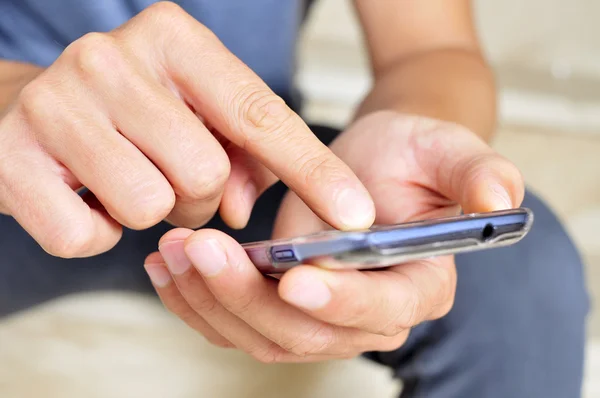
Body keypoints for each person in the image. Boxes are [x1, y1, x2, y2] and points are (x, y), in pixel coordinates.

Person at [0, 0, 589, 396]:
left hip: (253, 176)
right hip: (14, 167)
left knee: (521, 275)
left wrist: (411, 130)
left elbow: (431, 50)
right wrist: (15, 96)